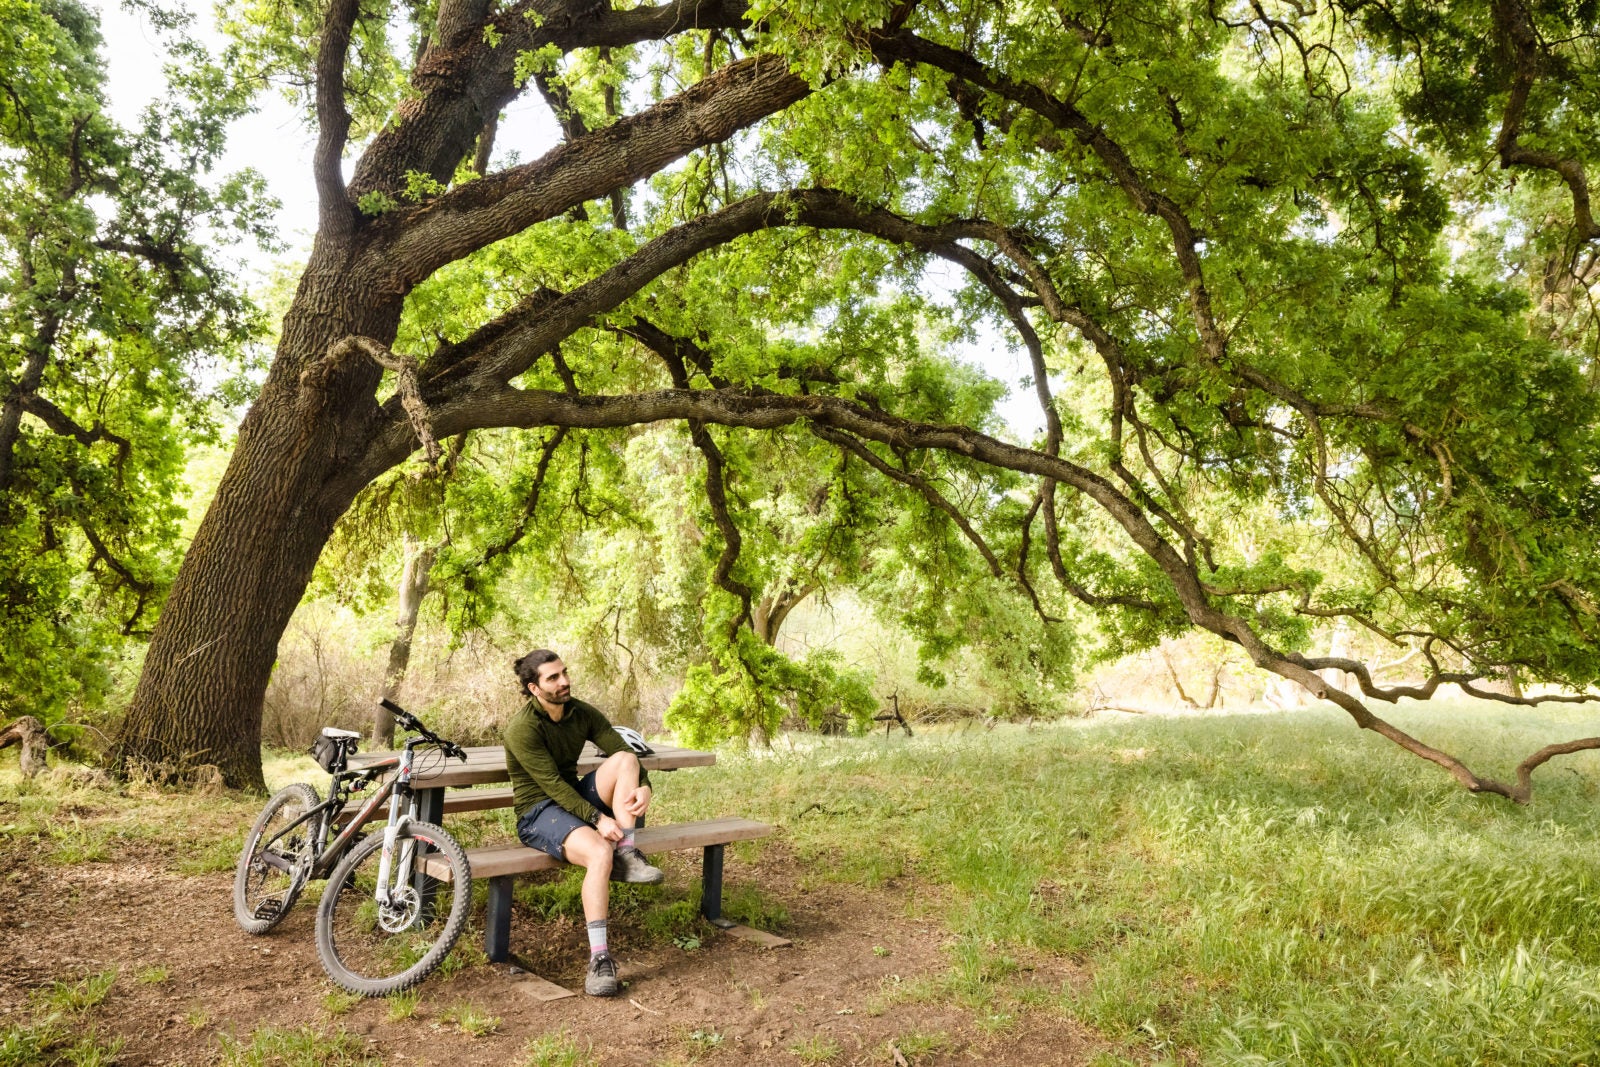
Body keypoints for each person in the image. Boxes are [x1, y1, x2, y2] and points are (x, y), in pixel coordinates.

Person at [504, 649, 664, 997]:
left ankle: (628, 852)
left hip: (571, 798)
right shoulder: (522, 729)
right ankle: (599, 959)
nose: (564, 681)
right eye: (553, 678)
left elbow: (626, 752)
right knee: (597, 854)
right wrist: (597, 819)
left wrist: (646, 787)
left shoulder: (581, 712)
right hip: (538, 812)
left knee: (623, 761)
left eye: (564, 673)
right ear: (534, 688)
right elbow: (551, 785)